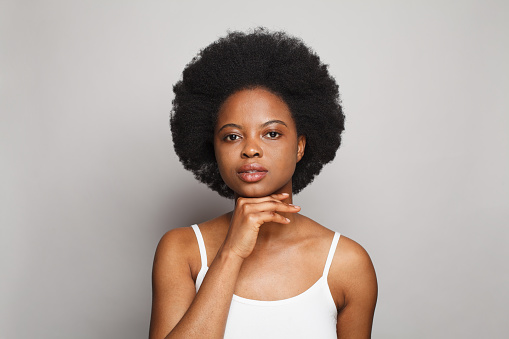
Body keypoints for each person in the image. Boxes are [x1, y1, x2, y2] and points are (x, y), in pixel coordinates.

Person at [149, 28, 377, 339]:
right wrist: (232, 253)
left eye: (271, 133)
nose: (250, 149)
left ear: (299, 146)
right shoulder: (182, 251)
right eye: (232, 136)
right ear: (213, 149)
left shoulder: (346, 263)